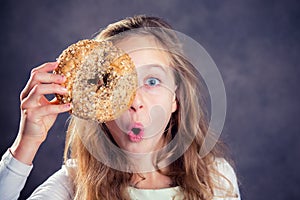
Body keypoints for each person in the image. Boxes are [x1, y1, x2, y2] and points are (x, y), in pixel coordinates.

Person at [0, 15, 240, 199]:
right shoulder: (73, 184)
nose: (135, 102)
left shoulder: (214, 178)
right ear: (96, 105)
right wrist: (27, 143)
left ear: (175, 99)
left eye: (152, 81)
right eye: (114, 83)